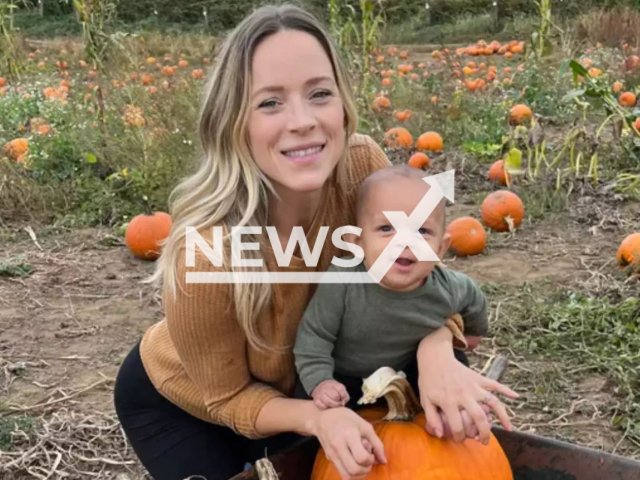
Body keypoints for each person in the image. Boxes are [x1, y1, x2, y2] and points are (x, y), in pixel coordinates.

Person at [113, 4, 519, 480]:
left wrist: (436, 349)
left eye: (319, 94)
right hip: (196, 405)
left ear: (343, 104)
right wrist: (316, 419)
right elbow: (225, 398)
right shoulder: (207, 248)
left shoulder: (362, 168)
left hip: (319, 380)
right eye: (270, 102)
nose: (302, 120)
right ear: (233, 121)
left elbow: (420, 274)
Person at [293, 165, 491, 441]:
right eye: (387, 228)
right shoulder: (343, 282)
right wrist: (321, 381)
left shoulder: (447, 287)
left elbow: (474, 301)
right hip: (346, 377)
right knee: (314, 417)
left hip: (410, 371)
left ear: (441, 248)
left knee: (456, 360)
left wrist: (472, 333)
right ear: (357, 242)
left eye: (422, 230)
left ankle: (452, 414)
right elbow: (314, 336)